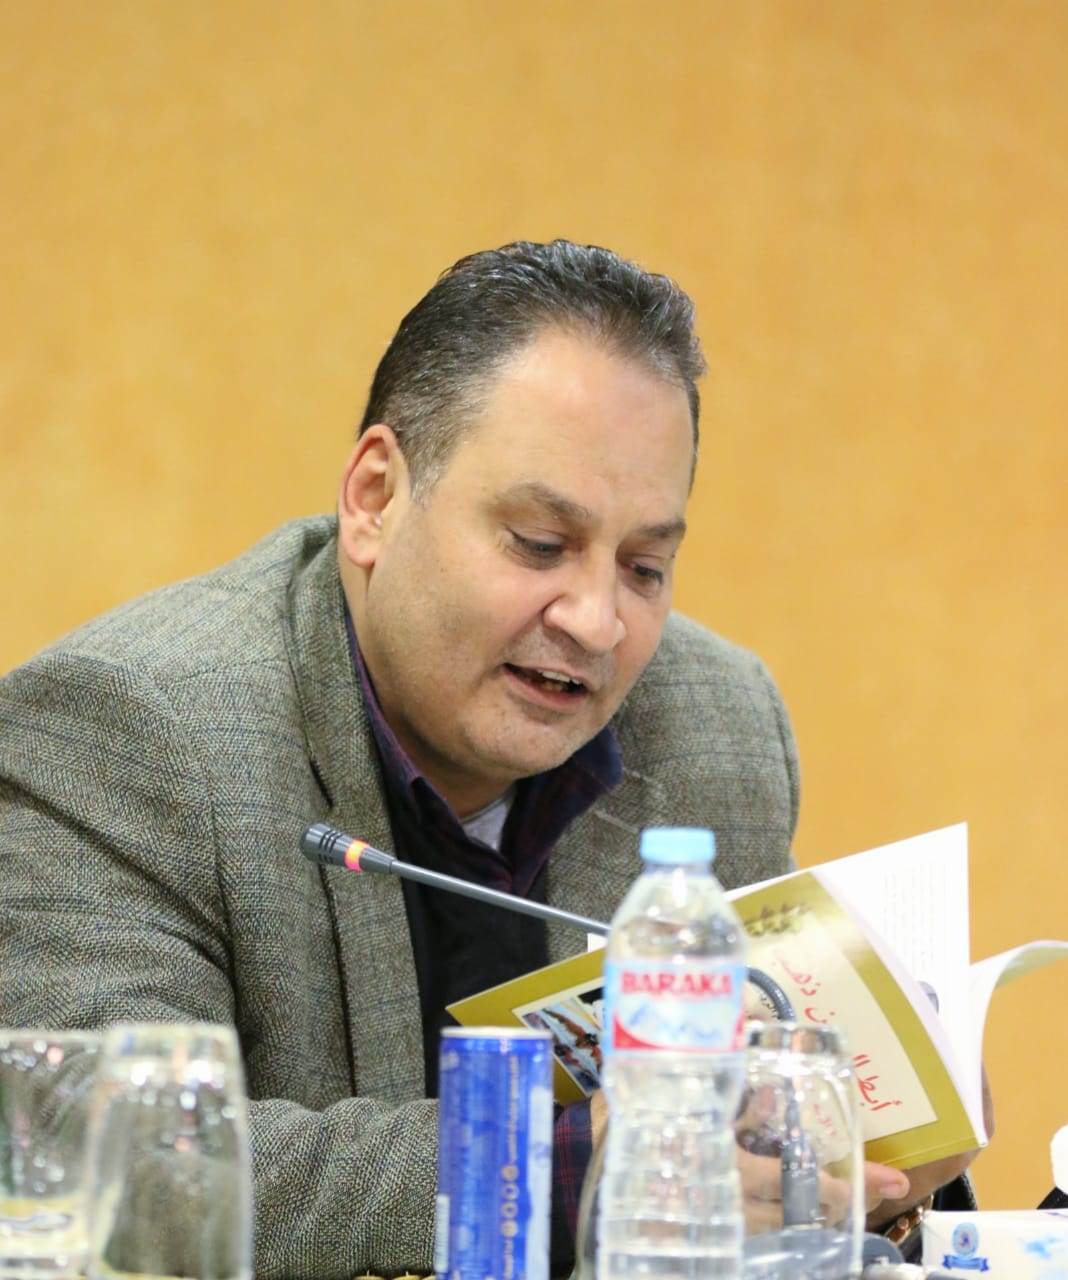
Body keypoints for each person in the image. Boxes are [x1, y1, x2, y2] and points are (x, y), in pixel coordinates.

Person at [0, 240, 978, 1276]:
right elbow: (98, 1157)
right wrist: (565, 1168)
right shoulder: (132, 727)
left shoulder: (712, 723)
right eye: (540, 544)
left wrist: (872, 1167)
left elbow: (746, 1162)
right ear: (375, 496)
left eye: (645, 566)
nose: (597, 621)